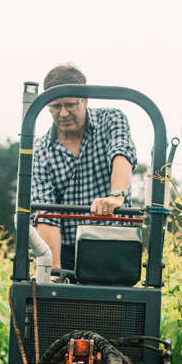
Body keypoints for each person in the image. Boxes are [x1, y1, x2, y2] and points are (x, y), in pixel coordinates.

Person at [31, 64, 138, 271]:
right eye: (55, 106)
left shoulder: (112, 120)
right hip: (66, 251)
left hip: (115, 241)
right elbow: (46, 214)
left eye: (70, 105)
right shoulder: (42, 151)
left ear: (85, 100)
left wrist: (116, 196)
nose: (63, 113)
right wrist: (53, 272)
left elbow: (122, 153)